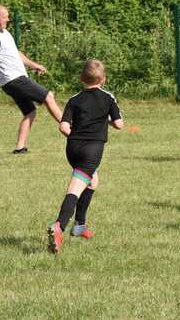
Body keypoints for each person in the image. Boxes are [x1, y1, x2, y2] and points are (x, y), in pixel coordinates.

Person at [47, 59, 124, 255]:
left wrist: (76, 135)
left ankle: (80, 225)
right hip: (92, 151)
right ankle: (59, 225)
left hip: (72, 148)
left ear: (81, 78)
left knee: (92, 181)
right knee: (75, 188)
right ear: (103, 79)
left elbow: (63, 126)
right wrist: (105, 118)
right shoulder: (108, 98)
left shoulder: (74, 99)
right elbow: (119, 124)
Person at [0, 4, 62, 153]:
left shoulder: (5, 33)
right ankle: (70, 130)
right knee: (48, 96)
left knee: (30, 112)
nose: (8, 19)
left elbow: (16, 53)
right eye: (5, 16)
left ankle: (20, 148)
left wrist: (34, 65)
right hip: (14, 79)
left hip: (14, 80)